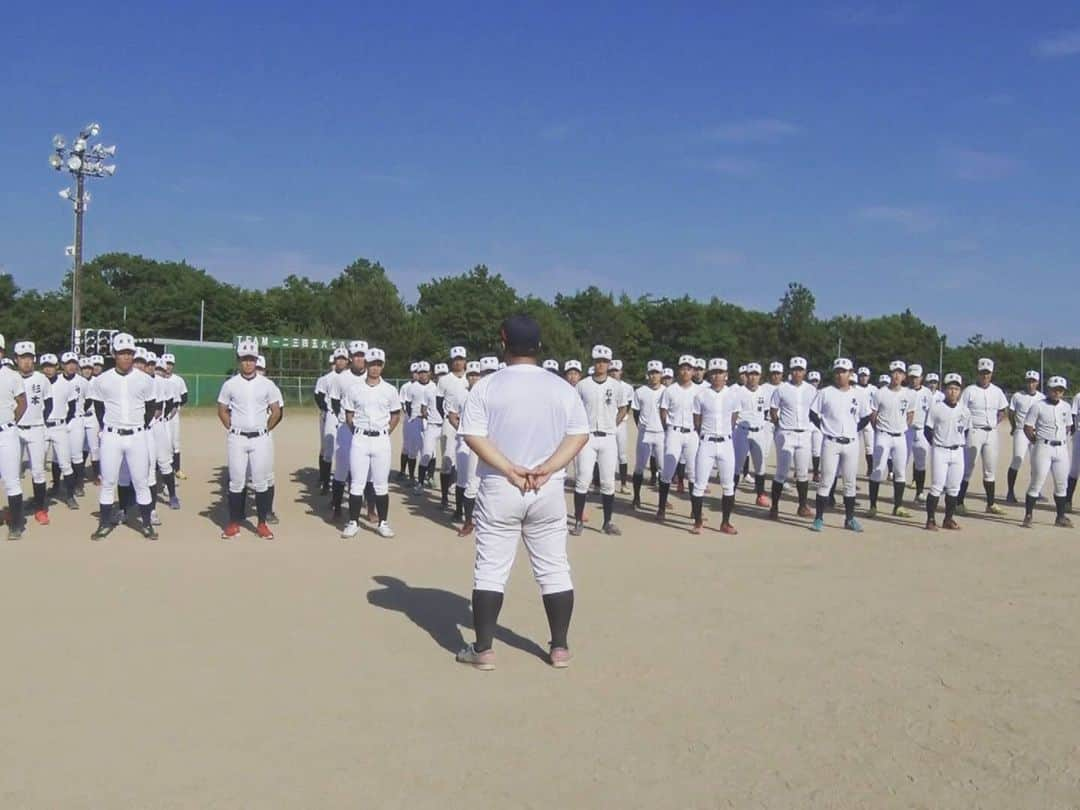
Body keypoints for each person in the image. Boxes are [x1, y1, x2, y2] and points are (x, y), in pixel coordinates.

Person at [456, 314, 589, 671]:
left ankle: (483, 650)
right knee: (554, 568)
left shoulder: (487, 385)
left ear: (503, 344)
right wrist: (547, 467)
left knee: (491, 569)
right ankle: (559, 647)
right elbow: (579, 434)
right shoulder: (562, 386)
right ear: (539, 346)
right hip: (546, 487)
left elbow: (473, 434)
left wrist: (510, 469)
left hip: (501, 486)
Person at [88, 333, 161, 540]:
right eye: (122, 353)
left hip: (137, 435)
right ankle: (104, 524)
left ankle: (146, 525)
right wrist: (109, 427)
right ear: (114, 354)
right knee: (109, 482)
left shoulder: (145, 379)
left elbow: (150, 407)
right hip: (112, 436)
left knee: (141, 481)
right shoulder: (102, 380)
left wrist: (137, 425)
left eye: (129, 353)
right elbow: (99, 408)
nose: (126, 357)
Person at [217, 340, 283, 540]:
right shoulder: (230, 384)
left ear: (256, 361)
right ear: (239, 361)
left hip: (260, 439)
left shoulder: (267, 384)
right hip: (237, 438)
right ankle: (233, 523)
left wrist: (265, 428)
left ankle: (262, 523)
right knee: (236, 482)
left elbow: (276, 411)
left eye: (251, 359)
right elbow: (221, 410)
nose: (248, 363)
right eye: (244, 359)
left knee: (261, 482)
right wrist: (233, 428)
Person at [339, 347, 400, 539]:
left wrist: (385, 432)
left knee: (381, 484)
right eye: (372, 364)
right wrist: (359, 432)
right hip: (360, 438)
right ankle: (353, 522)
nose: (375, 368)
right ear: (366, 365)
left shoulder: (390, 390)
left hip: (381, 439)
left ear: (382, 366)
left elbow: (395, 415)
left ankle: (383, 522)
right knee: (357, 483)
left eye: (378, 365)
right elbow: (349, 415)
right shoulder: (355, 389)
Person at [570, 345, 627, 536]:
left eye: (604, 361)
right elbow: (575, 409)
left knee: (608, 482)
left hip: (608, 437)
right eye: (597, 361)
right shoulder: (583, 385)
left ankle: (607, 522)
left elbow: (623, 408)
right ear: (593, 363)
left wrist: (613, 424)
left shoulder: (616, 386)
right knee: (583, 480)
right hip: (588, 437)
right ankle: (578, 520)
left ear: (609, 363)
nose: (601, 364)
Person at [810, 358, 871, 533]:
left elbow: (866, 416)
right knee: (826, 481)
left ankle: (850, 518)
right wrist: (823, 427)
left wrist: (853, 429)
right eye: (837, 371)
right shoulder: (825, 392)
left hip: (851, 443)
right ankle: (819, 518)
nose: (840, 375)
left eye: (843, 371)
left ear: (850, 373)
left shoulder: (858, 394)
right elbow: (812, 413)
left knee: (849, 483)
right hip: (831, 441)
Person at [690, 358, 740, 534]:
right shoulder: (701, 395)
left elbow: (734, 417)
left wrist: (726, 432)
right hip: (706, 442)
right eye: (714, 372)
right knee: (699, 484)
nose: (717, 375)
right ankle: (697, 521)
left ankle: (725, 522)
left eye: (721, 372)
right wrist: (706, 434)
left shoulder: (733, 395)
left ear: (726, 375)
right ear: (709, 375)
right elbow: (697, 421)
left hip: (726, 442)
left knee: (728, 485)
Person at [958, 358, 1009, 515]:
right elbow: (961, 411)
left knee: (990, 468)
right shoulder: (969, 391)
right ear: (978, 373)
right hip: (975, 431)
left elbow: (1003, 410)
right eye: (982, 373)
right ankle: (959, 501)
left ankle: (991, 503)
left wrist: (996, 421)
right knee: (968, 466)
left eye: (987, 373)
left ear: (991, 374)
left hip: (991, 432)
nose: (985, 376)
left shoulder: (997, 391)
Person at [1021, 376, 1072, 528]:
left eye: (1060, 390)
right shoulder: (1038, 406)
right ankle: (1028, 515)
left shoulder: (1066, 407)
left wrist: (1062, 438)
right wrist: (1035, 441)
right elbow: (1028, 427)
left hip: (1061, 448)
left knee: (1062, 484)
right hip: (1043, 446)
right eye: (1054, 389)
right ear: (1049, 390)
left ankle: (1060, 516)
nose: (1057, 393)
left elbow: (1068, 425)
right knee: (1037, 482)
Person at [867, 360, 915, 518]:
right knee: (878, 470)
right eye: (894, 372)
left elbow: (910, 414)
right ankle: (873, 505)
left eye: (900, 373)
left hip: (900, 436)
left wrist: (903, 427)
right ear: (890, 374)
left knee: (900, 471)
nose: (897, 375)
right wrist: (879, 429)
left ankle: (898, 506)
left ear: (904, 376)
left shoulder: (908, 394)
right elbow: (873, 414)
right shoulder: (880, 392)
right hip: (883, 434)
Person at [769, 358, 815, 519]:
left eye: (800, 370)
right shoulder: (782, 389)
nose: (797, 372)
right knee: (781, 472)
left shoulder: (811, 390)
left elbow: (815, 411)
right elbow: (773, 409)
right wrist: (779, 425)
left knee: (802, 473)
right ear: (791, 371)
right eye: (794, 369)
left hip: (804, 433)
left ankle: (802, 506)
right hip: (786, 433)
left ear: (805, 372)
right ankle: (774, 506)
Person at [924, 374, 969, 531]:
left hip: (957, 451)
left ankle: (948, 519)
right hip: (940, 450)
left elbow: (966, 431)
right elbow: (927, 430)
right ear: (944, 389)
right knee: (936, 486)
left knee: (954, 487)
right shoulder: (936, 408)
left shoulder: (964, 410)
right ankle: (930, 519)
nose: (953, 392)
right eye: (950, 388)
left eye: (956, 388)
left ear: (960, 391)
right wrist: (936, 444)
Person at [14, 342, 53, 525]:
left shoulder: (41, 378)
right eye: (23, 358)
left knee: (38, 471)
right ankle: (14, 509)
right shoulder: (11, 378)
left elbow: (49, 404)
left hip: (36, 428)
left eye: (29, 357)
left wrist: (39, 420)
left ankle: (40, 508)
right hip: (15, 430)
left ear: (34, 359)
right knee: (12, 472)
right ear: (16, 359)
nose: (27, 362)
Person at [657, 356, 700, 518]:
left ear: (694, 371)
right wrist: (667, 429)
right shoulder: (670, 390)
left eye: (689, 368)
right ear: (678, 370)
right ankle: (661, 508)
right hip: (674, 431)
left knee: (694, 472)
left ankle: (695, 511)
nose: (685, 371)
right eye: (683, 368)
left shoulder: (700, 391)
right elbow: (663, 412)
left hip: (692, 432)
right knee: (667, 471)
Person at [39, 353, 78, 510]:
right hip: (41, 427)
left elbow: (72, 407)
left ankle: (70, 495)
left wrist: (63, 421)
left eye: (51, 366)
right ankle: (40, 499)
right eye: (45, 366)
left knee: (65, 463)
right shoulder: (38, 382)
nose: (48, 369)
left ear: (57, 367)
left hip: (59, 426)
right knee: (38, 464)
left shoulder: (65, 383)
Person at [447, 361, 482, 534]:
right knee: (464, 480)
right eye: (471, 375)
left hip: (483, 443)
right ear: (467, 377)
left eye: (477, 374)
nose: (474, 378)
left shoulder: (487, 394)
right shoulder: (461, 394)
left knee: (477, 481)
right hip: (464, 443)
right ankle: (463, 515)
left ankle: (474, 517)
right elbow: (452, 415)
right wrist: (461, 429)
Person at [733, 361, 773, 507]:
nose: (753, 377)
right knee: (737, 466)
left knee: (760, 466)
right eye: (750, 374)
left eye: (756, 374)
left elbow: (767, 411)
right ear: (746, 375)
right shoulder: (738, 392)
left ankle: (760, 495)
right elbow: (734, 413)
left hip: (759, 431)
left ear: (760, 376)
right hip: (742, 431)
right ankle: (731, 495)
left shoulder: (764, 392)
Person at [437, 347, 469, 510]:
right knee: (447, 459)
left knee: (465, 459)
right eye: (455, 359)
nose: (458, 362)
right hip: (449, 422)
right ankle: (443, 497)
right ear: (451, 361)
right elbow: (438, 402)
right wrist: (447, 417)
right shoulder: (444, 380)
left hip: (468, 423)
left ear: (465, 360)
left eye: (461, 359)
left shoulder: (470, 378)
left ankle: (462, 498)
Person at [1006, 370, 1045, 504]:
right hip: (1022, 430)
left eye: (1033, 381)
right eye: (1029, 381)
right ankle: (1010, 492)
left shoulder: (1042, 397)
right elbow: (1011, 412)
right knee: (1017, 459)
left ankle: (1036, 491)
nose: (1030, 384)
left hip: (1036, 431)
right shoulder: (1018, 396)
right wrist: (1014, 426)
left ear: (1038, 383)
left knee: (1037, 462)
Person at [631, 360, 665, 508]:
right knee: (639, 466)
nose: (654, 376)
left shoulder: (667, 391)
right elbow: (636, 412)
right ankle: (636, 497)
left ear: (661, 374)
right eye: (651, 373)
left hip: (661, 433)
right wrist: (641, 426)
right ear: (647, 374)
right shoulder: (640, 391)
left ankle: (662, 503)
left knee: (664, 468)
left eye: (657, 373)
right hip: (645, 432)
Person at [0, 360, 27, 538]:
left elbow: (22, 403)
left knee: (12, 480)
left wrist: (11, 422)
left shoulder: (11, 376)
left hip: (6, 432)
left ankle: (16, 525)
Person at [314, 350, 345, 493]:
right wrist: (325, 409)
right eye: (335, 361)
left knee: (346, 450)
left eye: (342, 359)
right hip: (331, 414)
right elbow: (319, 396)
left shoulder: (350, 378)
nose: (337, 363)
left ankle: (340, 481)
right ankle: (325, 482)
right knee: (327, 449)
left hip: (346, 417)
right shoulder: (326, 378)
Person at [906, 364, 933, 502]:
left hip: (922, 430)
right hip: (906, 430)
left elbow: (932, 412)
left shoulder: (927, 393)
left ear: (921, 377)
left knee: (921, 462)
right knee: (901, 463)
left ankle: (919, 492)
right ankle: (897, 494)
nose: (913, 380)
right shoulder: (904, 391)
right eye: (911, 377)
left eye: (916, 377)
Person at [609, 360, 636, 492]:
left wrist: (620, 419)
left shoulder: (627, 387)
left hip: (621, 423)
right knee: (609, 455)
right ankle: (609, 483)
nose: (614, 373)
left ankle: (624, 484)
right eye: (612, 370)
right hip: (608, 424)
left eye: (617, 370)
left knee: (622, 454)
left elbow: (628, 406)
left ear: (621, 372)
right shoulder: (606, 385)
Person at [161, 353, 189, 479]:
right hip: (159, 417)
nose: (168, 366)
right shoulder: (157, 379)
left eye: (170, 364)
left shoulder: (178, 380)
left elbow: (184, 397)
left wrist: (176, 407)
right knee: (162, 443)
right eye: (166, 363)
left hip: (173, 416)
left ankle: (177, 469)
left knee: (175, 443)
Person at [855, 366, 875, 474]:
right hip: (857, 419)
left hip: (869, 418)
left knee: (869, 445)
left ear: (869, 377)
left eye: (865, 376)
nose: (863, 378)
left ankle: (870, 468)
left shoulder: (873, 389)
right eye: (861, 376)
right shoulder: (854, 388)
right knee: (854, 445)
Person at [807, 370, 823, 479]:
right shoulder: (804, 392)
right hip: (807, 422)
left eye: (816, 381)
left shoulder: (822, 393)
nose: (814, 383)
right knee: (805, 448)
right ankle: (800, 469)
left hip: (817, 422)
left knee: (816, 450)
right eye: (812, 381)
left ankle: (816, 473)